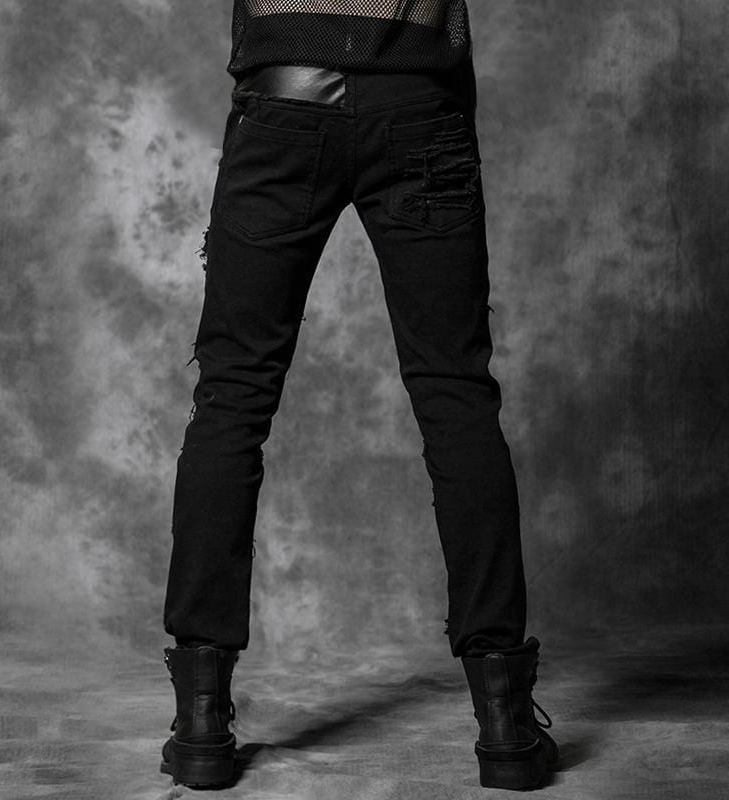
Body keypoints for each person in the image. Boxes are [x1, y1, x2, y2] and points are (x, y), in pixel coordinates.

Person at [160, 1, 558, 791]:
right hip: (420, 102)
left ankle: (201, 724)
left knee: (233, 396)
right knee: (456, 394)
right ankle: (506, 727)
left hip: (284, 101)